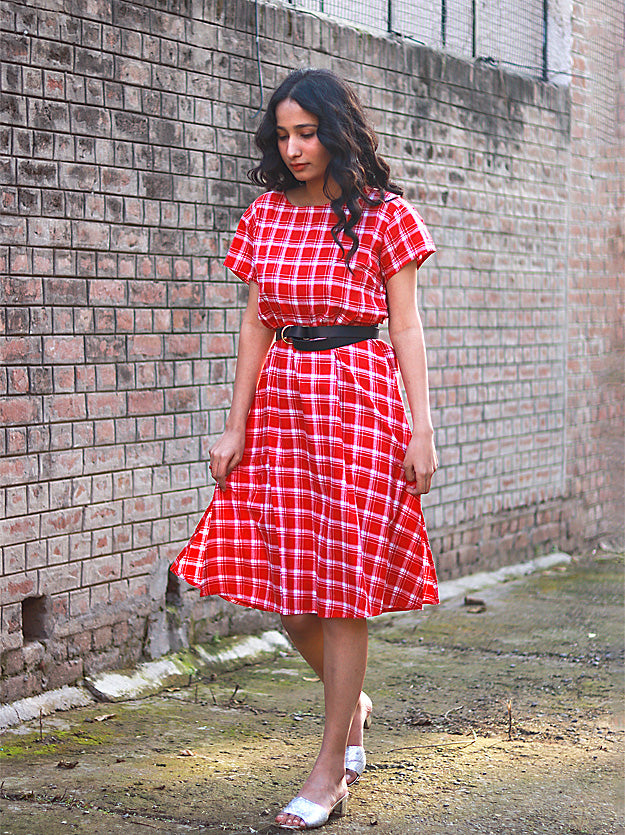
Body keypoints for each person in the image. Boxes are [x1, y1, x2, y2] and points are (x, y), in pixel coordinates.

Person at [171, 68, 439, 830]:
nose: (293, 148)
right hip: (285, 403)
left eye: (306, 132)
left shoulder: (384, 216)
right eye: (282, 134)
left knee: (343, 586)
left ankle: (330, 767)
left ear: (335, 129)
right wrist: (235, 423)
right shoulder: (264, 215)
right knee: (293, 605)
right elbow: (257, 321)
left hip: (359, 399)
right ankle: (350, 700)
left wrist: (423, 426)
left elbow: (407, 327)